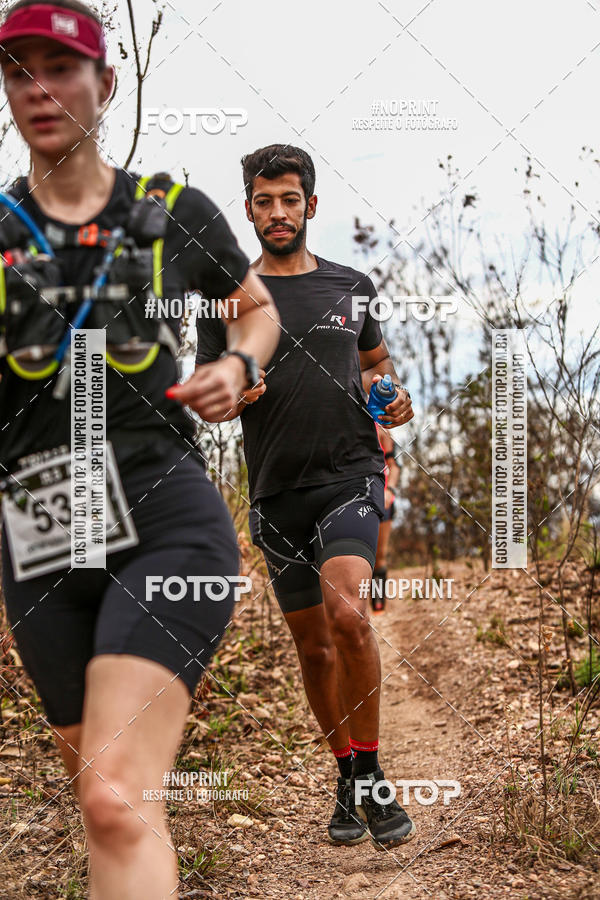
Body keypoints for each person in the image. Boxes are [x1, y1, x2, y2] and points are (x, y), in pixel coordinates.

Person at [0, 2, 279, 897]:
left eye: (61, 66)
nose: (37, 88)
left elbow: (258, 308)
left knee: (119, 797)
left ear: (105, 83)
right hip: (41, 531)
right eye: (17, 70)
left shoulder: (170, 212)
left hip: (165, 512)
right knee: (103, 799)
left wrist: (236, 363)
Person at [195, 144, 416, 850]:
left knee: (348, 614)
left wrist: (396, 396)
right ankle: (346, 775)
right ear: (249, 208)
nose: (278, 212)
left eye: (290, 199)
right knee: (315, 649)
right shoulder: (228, 299)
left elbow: (378, 364)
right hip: (275, 490)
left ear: (311, 205)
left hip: (350, 474)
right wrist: (235, 394)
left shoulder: (352, 286)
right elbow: (209, 398)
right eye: (264, 200)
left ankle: (374, 776)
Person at [371, 424, 401, 614]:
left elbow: (394, 467)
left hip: (382, 498)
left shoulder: (382, 431)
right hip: (356, 497)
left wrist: (389, 490)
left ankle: (377, 600)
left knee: (379, 556)